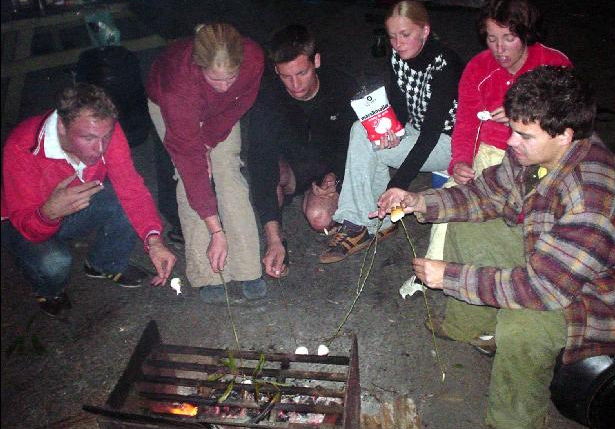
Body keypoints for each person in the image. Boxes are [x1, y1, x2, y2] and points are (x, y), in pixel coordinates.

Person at [374, 66, 615, 429]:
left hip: (594, 297)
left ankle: (514, 421)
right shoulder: (533, 152)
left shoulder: (592, 200)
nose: (511, 142)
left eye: (524, 135)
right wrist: (419, 201)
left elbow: (541, 289)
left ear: (565, 135)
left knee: (523, 327)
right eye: (514, 129)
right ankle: (472, 328)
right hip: (545, 253)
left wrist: (448, 276)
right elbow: (485, 194)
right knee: (469, 229)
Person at [402, 0, 573, 297]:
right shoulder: (479, 68)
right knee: (452, 194)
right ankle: (433, 272)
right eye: (492, 38)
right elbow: (466, 122)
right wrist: (461, 161)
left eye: (508, 38)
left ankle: (523, 280)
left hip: (539, 156)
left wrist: (527, 116)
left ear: (526, 34)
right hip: (489, 153)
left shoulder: (553, 64)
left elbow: (572, 121)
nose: (500, 48)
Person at [1, 83, 176, 317]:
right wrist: (48, 213)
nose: (100, 148)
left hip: (75, 202)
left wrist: (154, 241)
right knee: (55, 263)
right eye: (89, 138)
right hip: (24, 220)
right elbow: (27, 226)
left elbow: (131, 187)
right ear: (62, 126)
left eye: (106, 137)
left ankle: (103, 264)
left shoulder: (104, 130)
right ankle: (48, 290)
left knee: (123, 200)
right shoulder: (22, 146)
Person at [320, 0, 463, 264]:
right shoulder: (398, 56)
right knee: (363, 132)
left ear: (425, 30)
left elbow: (431, 135)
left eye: (406, 34)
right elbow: (400, 104)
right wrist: (391, 129)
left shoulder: (445, 64)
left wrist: (399, 185)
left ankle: (357, 223)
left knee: (373, 148)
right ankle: (375, 221)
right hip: (417, 128)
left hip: (448, 140)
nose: (398, 43)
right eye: (392, 36)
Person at [146, 22, 265, 304]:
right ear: (200, 67)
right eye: (216, 80)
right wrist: (216, 230)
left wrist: (210, 140)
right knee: (189, 177)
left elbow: (239, 101)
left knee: (227, 170)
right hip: (170, 107)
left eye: (230, 78)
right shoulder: (178, 84)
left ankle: (247, 267)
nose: (224, 87)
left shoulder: (253, 58)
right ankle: (207, 273)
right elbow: (191, 166)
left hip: (219, 115)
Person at [248, 25, 357, 278]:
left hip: (328, 165)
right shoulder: (266, 98)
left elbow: (359, 145)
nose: (295, 85)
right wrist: (273, 238)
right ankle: (278, 242)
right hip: (291, 169)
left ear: (316, 60)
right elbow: (260, 165)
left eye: (302, 73)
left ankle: (321, 199)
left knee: (319, 219)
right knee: (270, 171)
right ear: (276, 70)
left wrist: (336, 177)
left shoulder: (343, 86)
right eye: (286, 76)